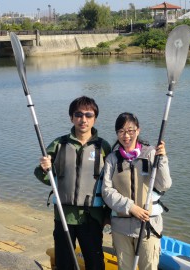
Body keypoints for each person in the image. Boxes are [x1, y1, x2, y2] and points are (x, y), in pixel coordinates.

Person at [34, 96, 111, 270]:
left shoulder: (103, 147)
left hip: (92, 217)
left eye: (88, 115)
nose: (83, 119)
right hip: (63, 215)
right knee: (64, 263)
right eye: (78, 114)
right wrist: (46, 168)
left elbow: (111, 184)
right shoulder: (59, 144)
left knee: (95, 263)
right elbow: (42, 174)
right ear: (71, 117)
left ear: (94, 119)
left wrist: (109, 215)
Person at [101, 112, 172, 270]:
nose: (126, 135)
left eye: (130, 130)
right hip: (121, 227)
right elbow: (106, 191)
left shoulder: (151, 153)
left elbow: (165, 184)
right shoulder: (112, 159)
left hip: (148, 225)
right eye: (121, 131)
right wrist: (131, 207)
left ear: (138, 130)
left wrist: (163, 159)